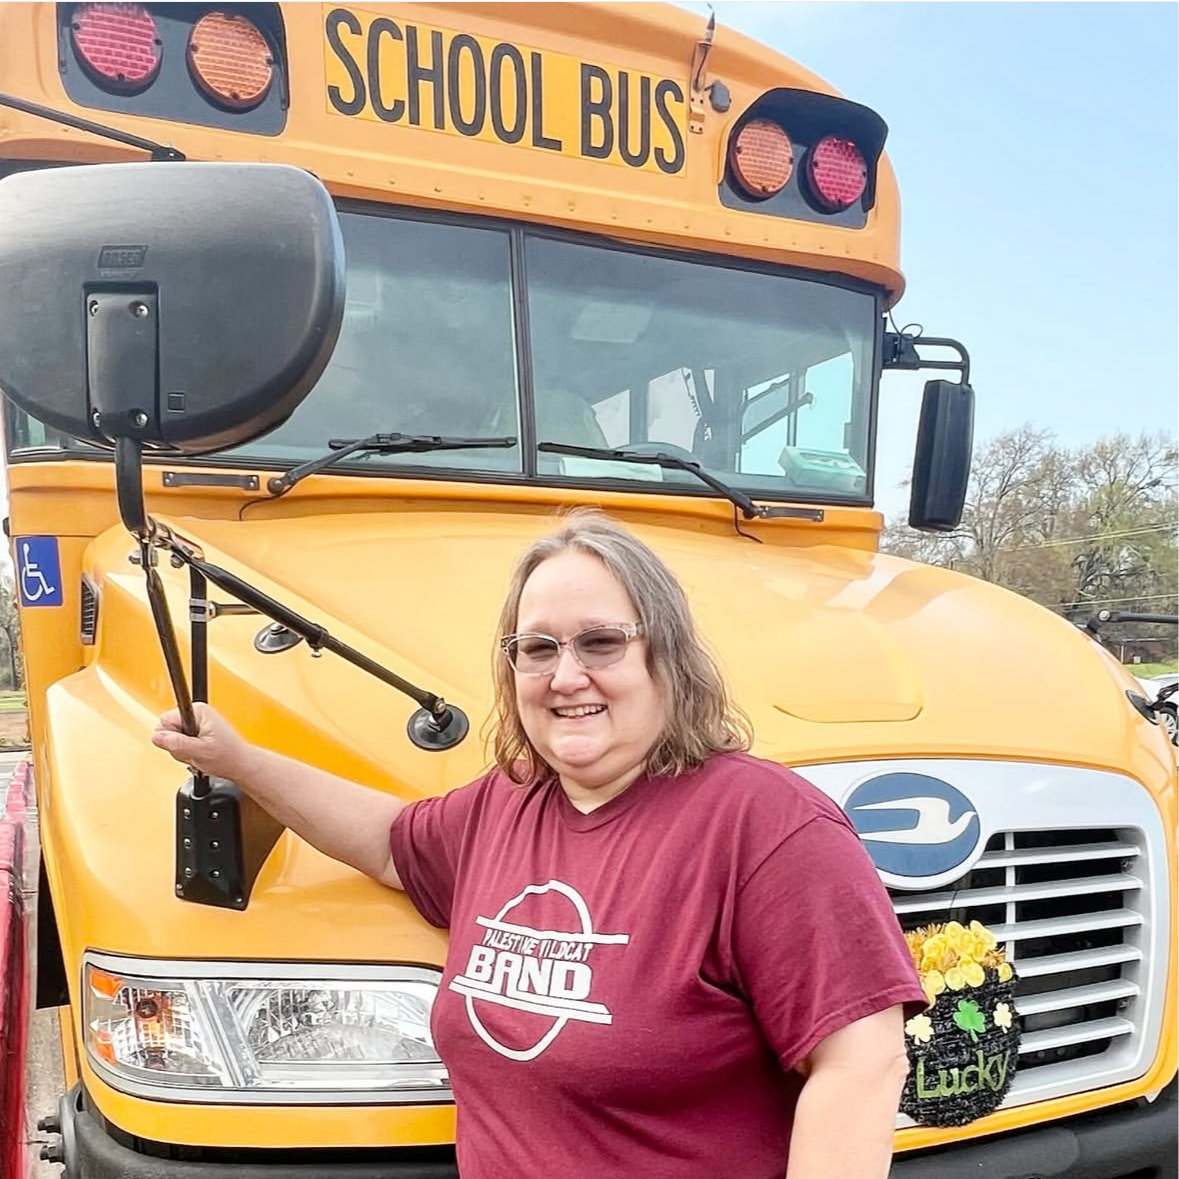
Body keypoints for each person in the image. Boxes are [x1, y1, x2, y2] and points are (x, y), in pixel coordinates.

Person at [153, 509, 924, 1179]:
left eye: (600, 642)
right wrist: (237, 760)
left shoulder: (766, 827)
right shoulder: (506, 803)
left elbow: (862, 1062)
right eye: (538, 649)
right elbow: (388, 843)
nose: (566, 675)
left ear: (668, 655)